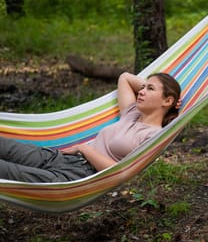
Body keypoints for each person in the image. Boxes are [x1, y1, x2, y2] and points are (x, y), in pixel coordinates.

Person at [0, 72, 181, 183]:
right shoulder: (132, 112)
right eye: (143, 87)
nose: (141, 91)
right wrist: (158, 92)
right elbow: (125, 78)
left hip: (79, 177)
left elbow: (121, 173)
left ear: (167, 100)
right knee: (5, 146)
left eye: (150, 89)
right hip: (64, 158)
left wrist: (84, 148)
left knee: (8, 171)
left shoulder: (154, 136)